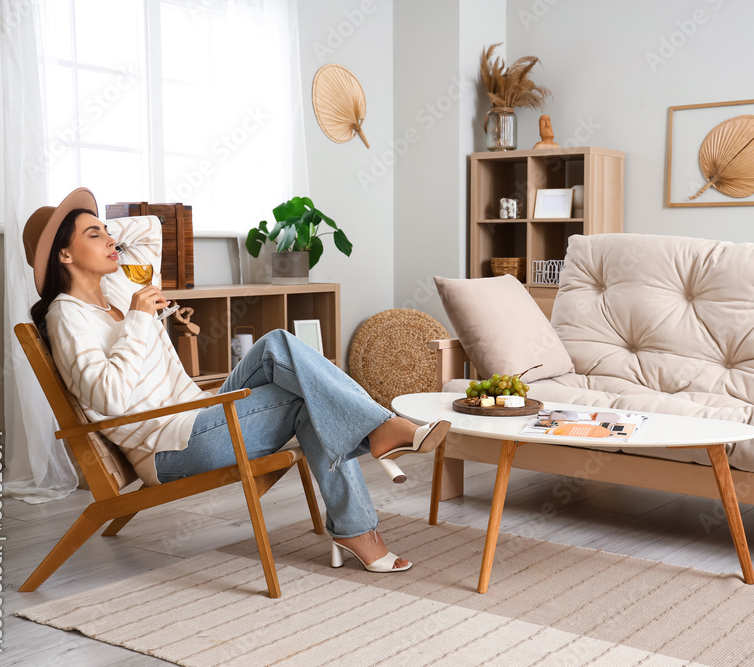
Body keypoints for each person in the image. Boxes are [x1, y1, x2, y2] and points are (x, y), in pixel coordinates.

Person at [23, 187, 450, 573]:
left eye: (106, 232)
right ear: (64, 255)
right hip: (169, 446)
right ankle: (368, 484)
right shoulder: (68, 316)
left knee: (276, 344)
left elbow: (152, 229)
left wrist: (96, 229)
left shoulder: (117, 285)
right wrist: (138, 317)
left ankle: (376, 445)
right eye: (94, 236)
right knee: (306, 401)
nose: (112, 240)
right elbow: (109, 397)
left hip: (196, 414)